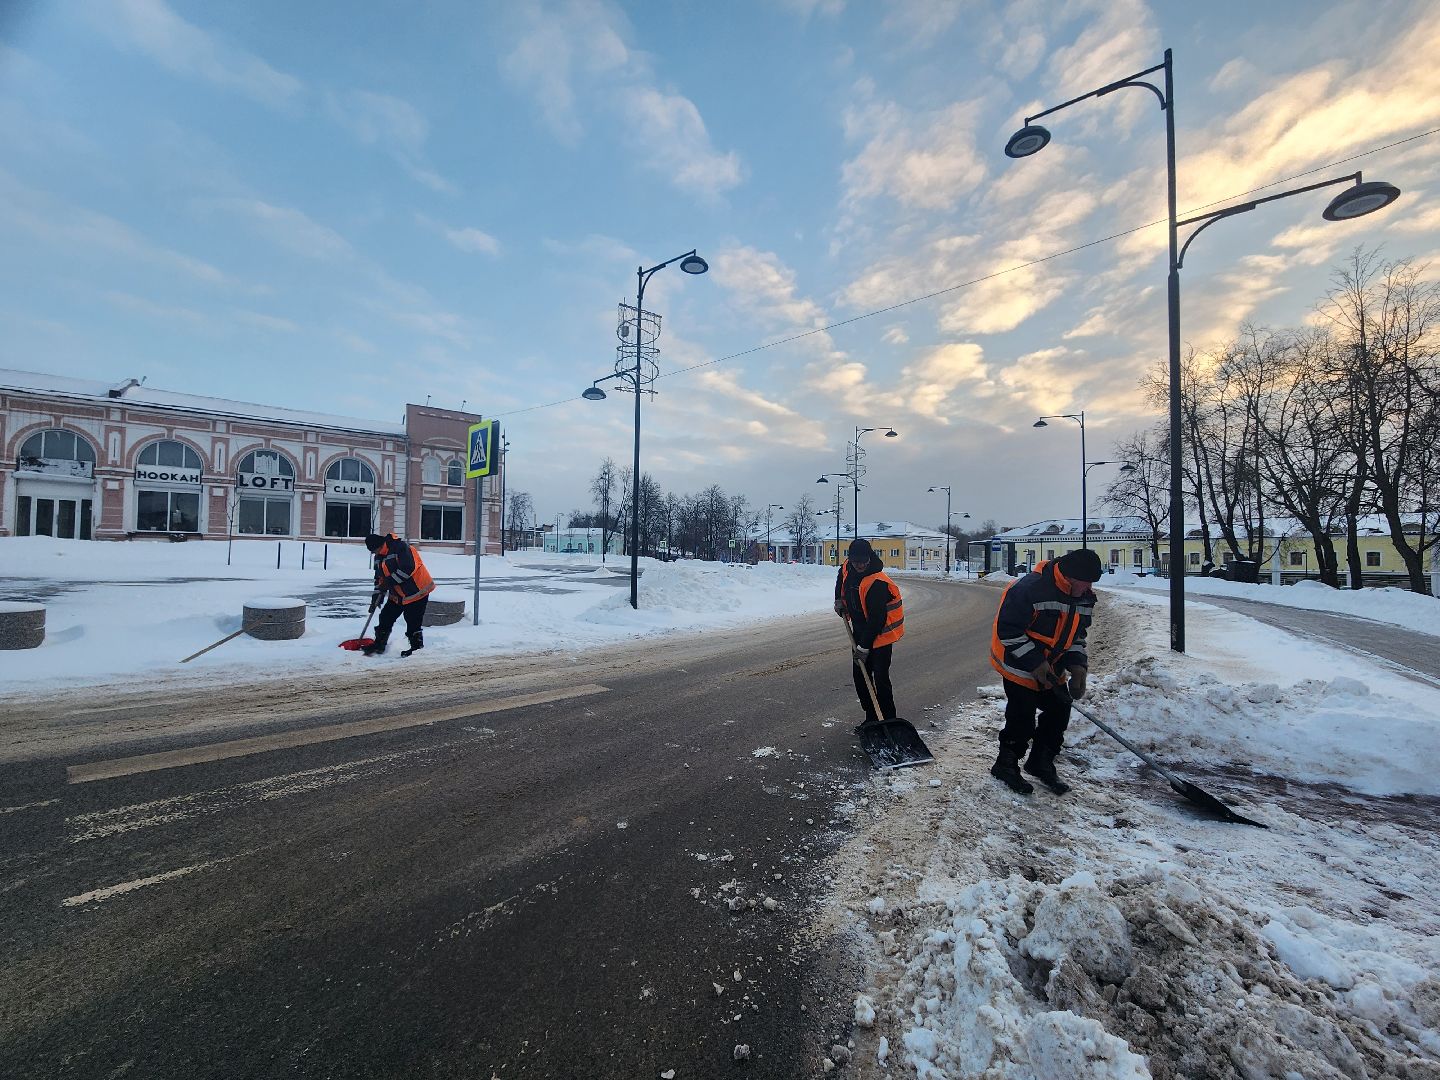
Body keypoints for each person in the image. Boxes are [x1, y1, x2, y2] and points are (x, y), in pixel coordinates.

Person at [987, 547, 1101, 795]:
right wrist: (1036, 664)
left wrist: (1078, 667)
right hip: (1018, 662)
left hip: (1052, 665)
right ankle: (1006, 764)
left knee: (1060, 710)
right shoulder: (1029, 589)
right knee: (1022, 715)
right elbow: (1008, 630)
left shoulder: (1083, 596)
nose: (1089, 587)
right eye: (1086, 582)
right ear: (1070, 577)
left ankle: (1041, 762)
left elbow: (1077, 636)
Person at [833, 537, 905, 733]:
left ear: (869, 557)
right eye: (856, 561)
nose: (860, 565)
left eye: (864, 561)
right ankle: (871, 717)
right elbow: (841, 576)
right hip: (858, 629)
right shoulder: (848, 566)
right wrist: (838, 599)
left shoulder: (877, 582)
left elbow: (877, 619)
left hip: (880, 636)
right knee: (860, 677)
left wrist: (864, 647)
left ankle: (889, 720)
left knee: (880, 678)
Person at [363, 531, 435, 657]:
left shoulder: (400, 547)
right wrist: (376, 598)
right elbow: (379, 579)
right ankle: (379, 645)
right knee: (385, 617)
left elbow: (408, 569)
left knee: (413, 621)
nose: (375, 554)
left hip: (417, 591)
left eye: (375, 550)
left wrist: (389, 582)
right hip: (398, 595)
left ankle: (416, 649)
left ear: (380, 545)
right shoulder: (379, 557)